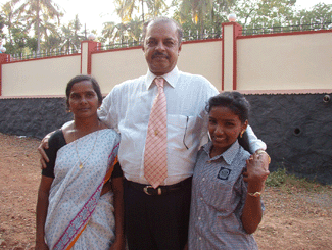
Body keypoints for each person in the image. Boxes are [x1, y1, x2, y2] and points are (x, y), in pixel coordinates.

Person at [38, 17, 270, 250]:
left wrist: (260, 156)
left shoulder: (199, 88)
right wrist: (57, 135)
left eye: (168, 42)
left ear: (179, 47)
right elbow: (92, 123)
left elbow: (239, 125)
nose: (160, 48)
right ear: (143, 47)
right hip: (133, 199)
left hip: (179, 201)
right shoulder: (123, 93)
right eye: (152, 42)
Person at [35, 75, 125, 250]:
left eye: (89, 95)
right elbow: (44, 191)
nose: (83, 101)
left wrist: (120, 237)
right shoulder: (54, 141)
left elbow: (119, 192)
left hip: (99, 224)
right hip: (60, 224)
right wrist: (39, 240)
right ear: (68, 104)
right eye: (75, 96)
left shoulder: (112, 141)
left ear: (99, 101)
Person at [188, 92, 269, 249]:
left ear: (243, 126)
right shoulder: (200, 156)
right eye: (213, 122)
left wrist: (254, 185)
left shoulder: (246, 164)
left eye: (229, 124)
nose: (218, 131)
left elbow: (250, 226)